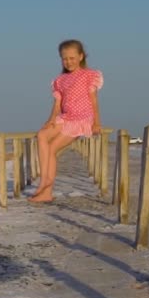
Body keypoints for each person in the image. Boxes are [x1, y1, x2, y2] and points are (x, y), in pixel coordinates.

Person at [28, 39, 103, 203]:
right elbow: (57, 104)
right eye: (65, 58)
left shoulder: (89, 75)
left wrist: (97, 122)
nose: (68, 62)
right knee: (42, 135)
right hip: (65, 117)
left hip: (81, 119)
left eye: (72, 58)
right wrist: (50, 121)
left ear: (81, 56)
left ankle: (46, 186)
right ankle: (45, 185)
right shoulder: (60, 80)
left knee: (53, 148)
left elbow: (94, 100)